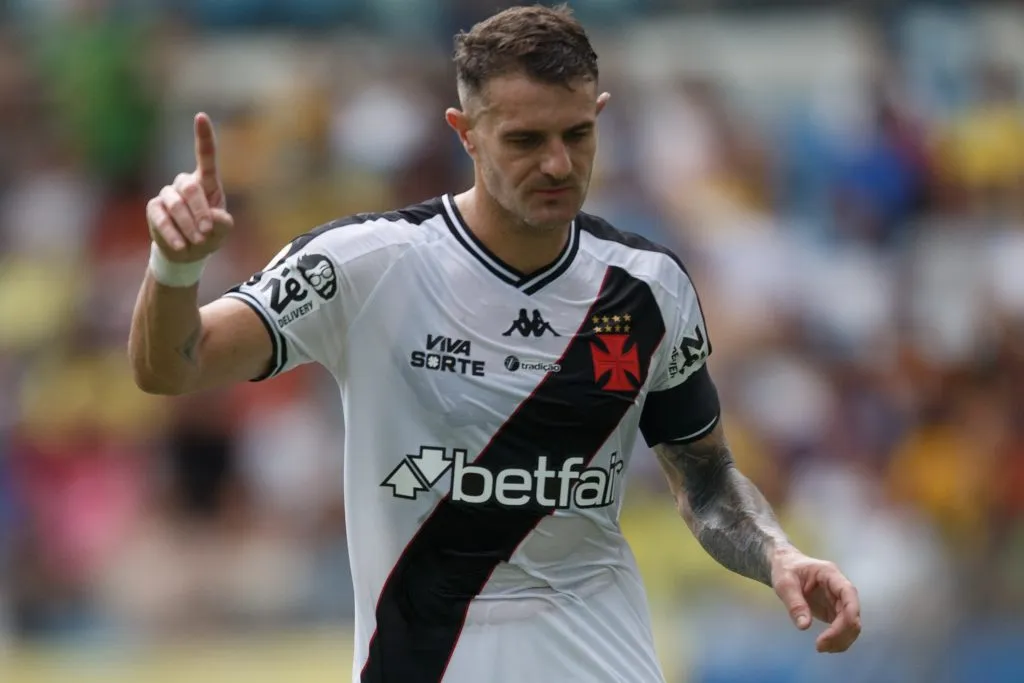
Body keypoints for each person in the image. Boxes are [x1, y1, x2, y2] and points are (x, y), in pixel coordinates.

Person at [129, 5, 862, 682]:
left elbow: (703, 480)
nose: (557, 164)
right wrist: (176, 266)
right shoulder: (365, 265)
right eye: (525, 140)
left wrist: (777, 552)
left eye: (577, 135)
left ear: (601, 116)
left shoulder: (648, 289)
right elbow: (173, 364)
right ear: (465, 131)